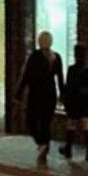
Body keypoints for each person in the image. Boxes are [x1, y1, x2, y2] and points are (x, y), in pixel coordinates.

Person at [15, 30, 64, 166]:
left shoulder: (36, 56)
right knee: (43, 122)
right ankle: (43, 146)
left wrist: (18, 93)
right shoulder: (54, 57)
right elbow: (60, 79)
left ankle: (42, 144)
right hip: (47, 95)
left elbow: (26, 75)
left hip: (38, 95)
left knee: (34, 120)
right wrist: (62, 95)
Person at [60, 43, 88, 163]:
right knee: (87, 125)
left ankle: (68, 149)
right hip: (85, 102)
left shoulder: (72, 69)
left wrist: (65, 99)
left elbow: (69, 86)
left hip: (74, 101)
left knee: (71, 124)